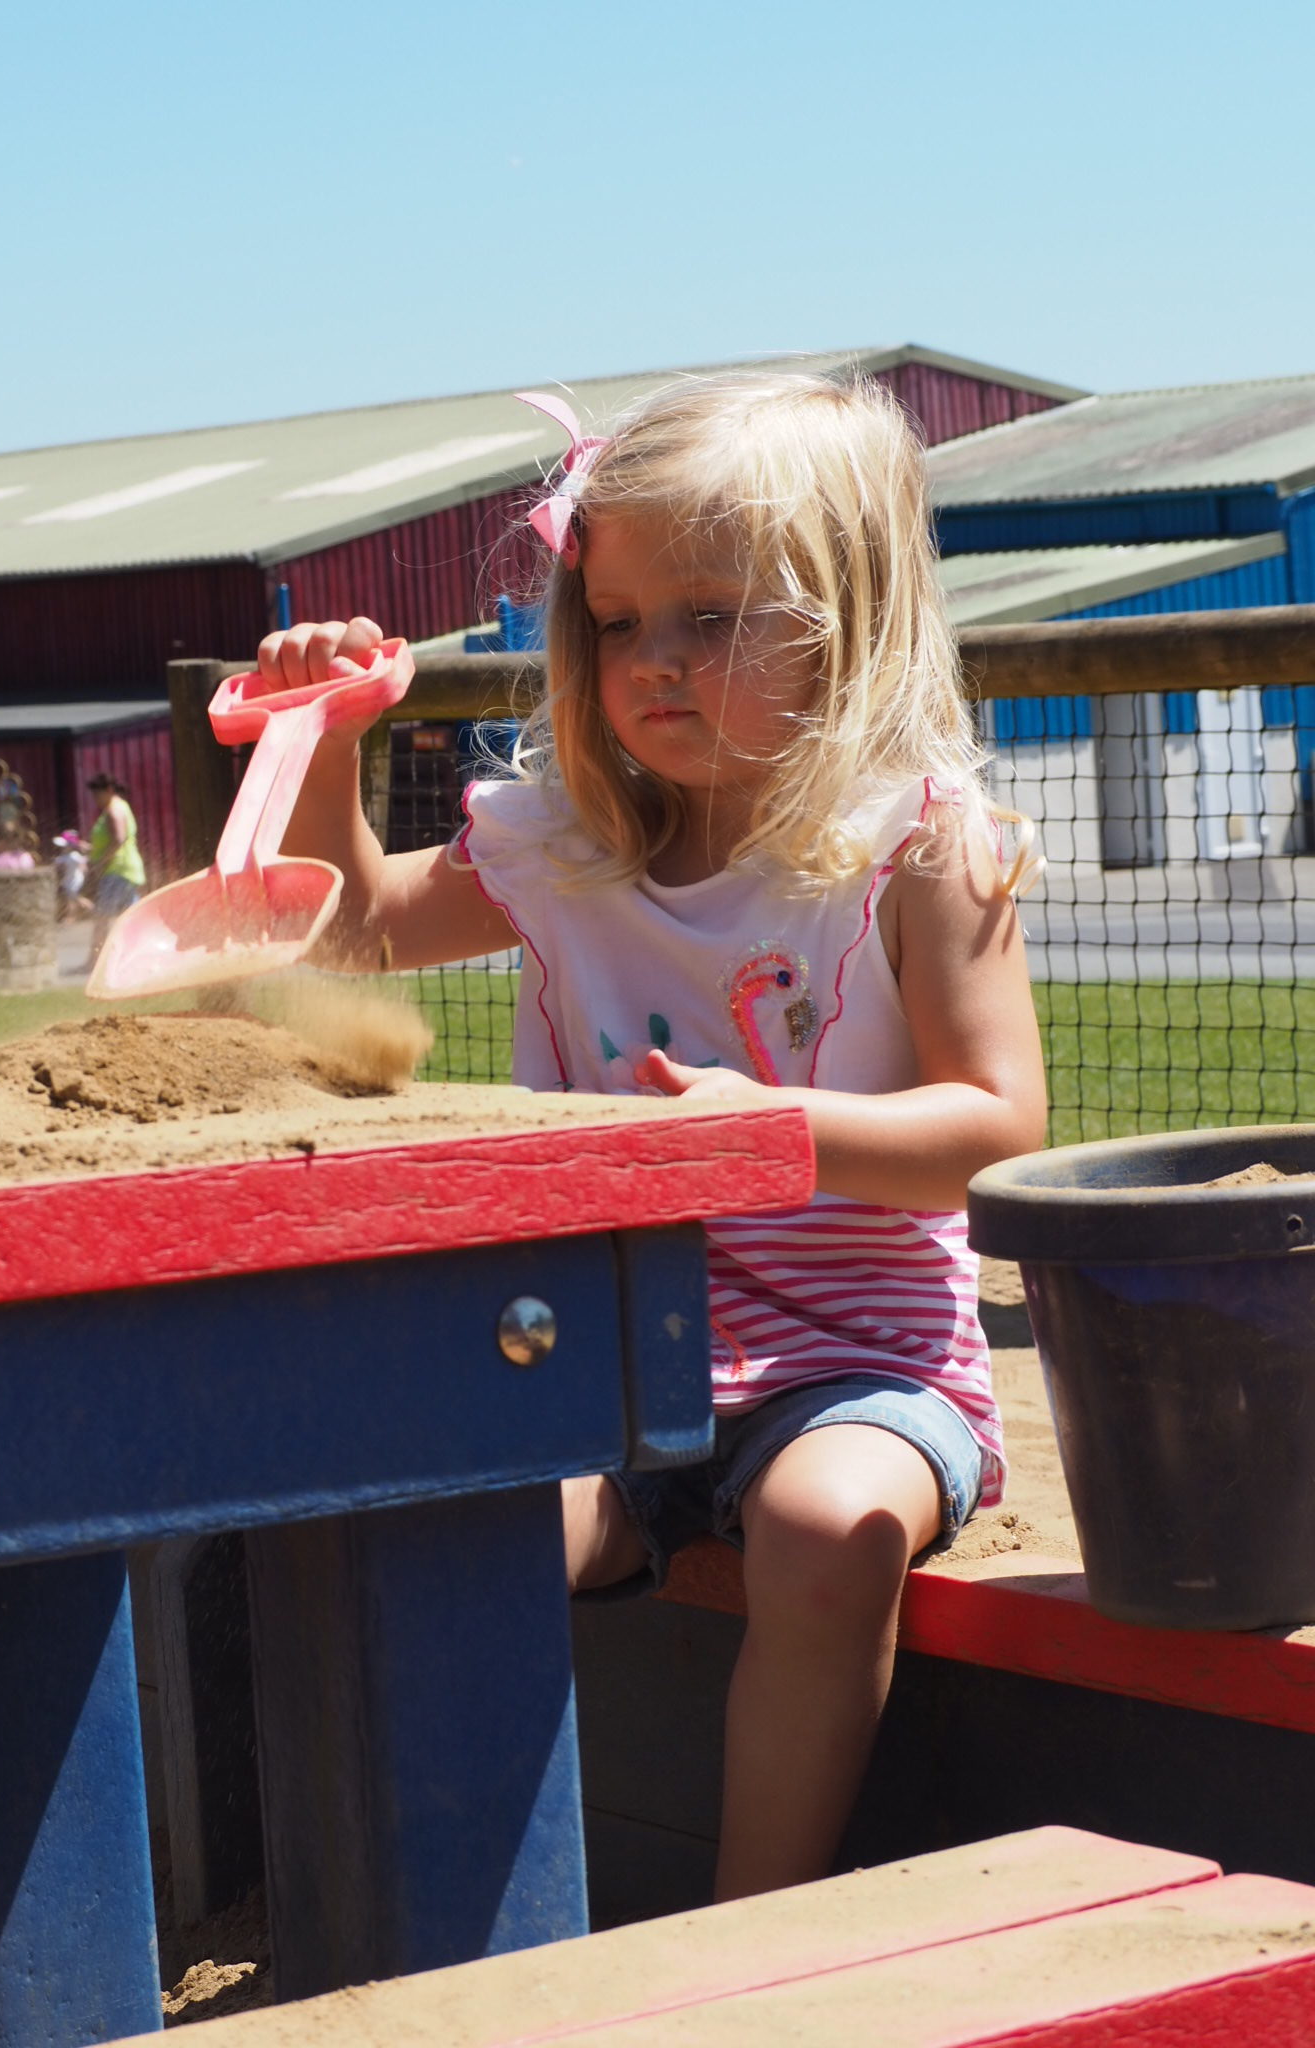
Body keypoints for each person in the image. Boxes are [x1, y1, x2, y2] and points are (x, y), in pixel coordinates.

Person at [259, 370, 1048, 1902]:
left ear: (847, 616)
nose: (654, 665)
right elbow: (346, 934)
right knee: (461, 1525)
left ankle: (744, 1935)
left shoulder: (921, 851)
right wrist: (327, 740)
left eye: (710, 614)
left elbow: (996, 1126)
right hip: (603, 1362)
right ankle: (471, 1920)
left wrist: (783, 1127)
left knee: (825, 1534)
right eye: (619, 624)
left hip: (856, 1367)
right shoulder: (566, 846)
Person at [84, 771, 146, 967]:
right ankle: (135, 956)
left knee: (102, 917)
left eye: (97, 794)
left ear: (109, 791)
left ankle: (96, 962)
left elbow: (119, 838)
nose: (95, 799)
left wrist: (101, 863)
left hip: (116, 870)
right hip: (127, 870)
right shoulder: (120, 806)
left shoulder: (114, 809)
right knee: (131, 917)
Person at [51, 830, 92, 921]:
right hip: (69, 880)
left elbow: (83, 862)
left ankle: (88, 910)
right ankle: (73, 916)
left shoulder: (73, 856)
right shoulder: (66, 856)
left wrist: (84, 868)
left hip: (74, 881)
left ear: (70, 846)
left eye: (64, 846)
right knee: (72, 899)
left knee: (74, 898)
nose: (62, 848)